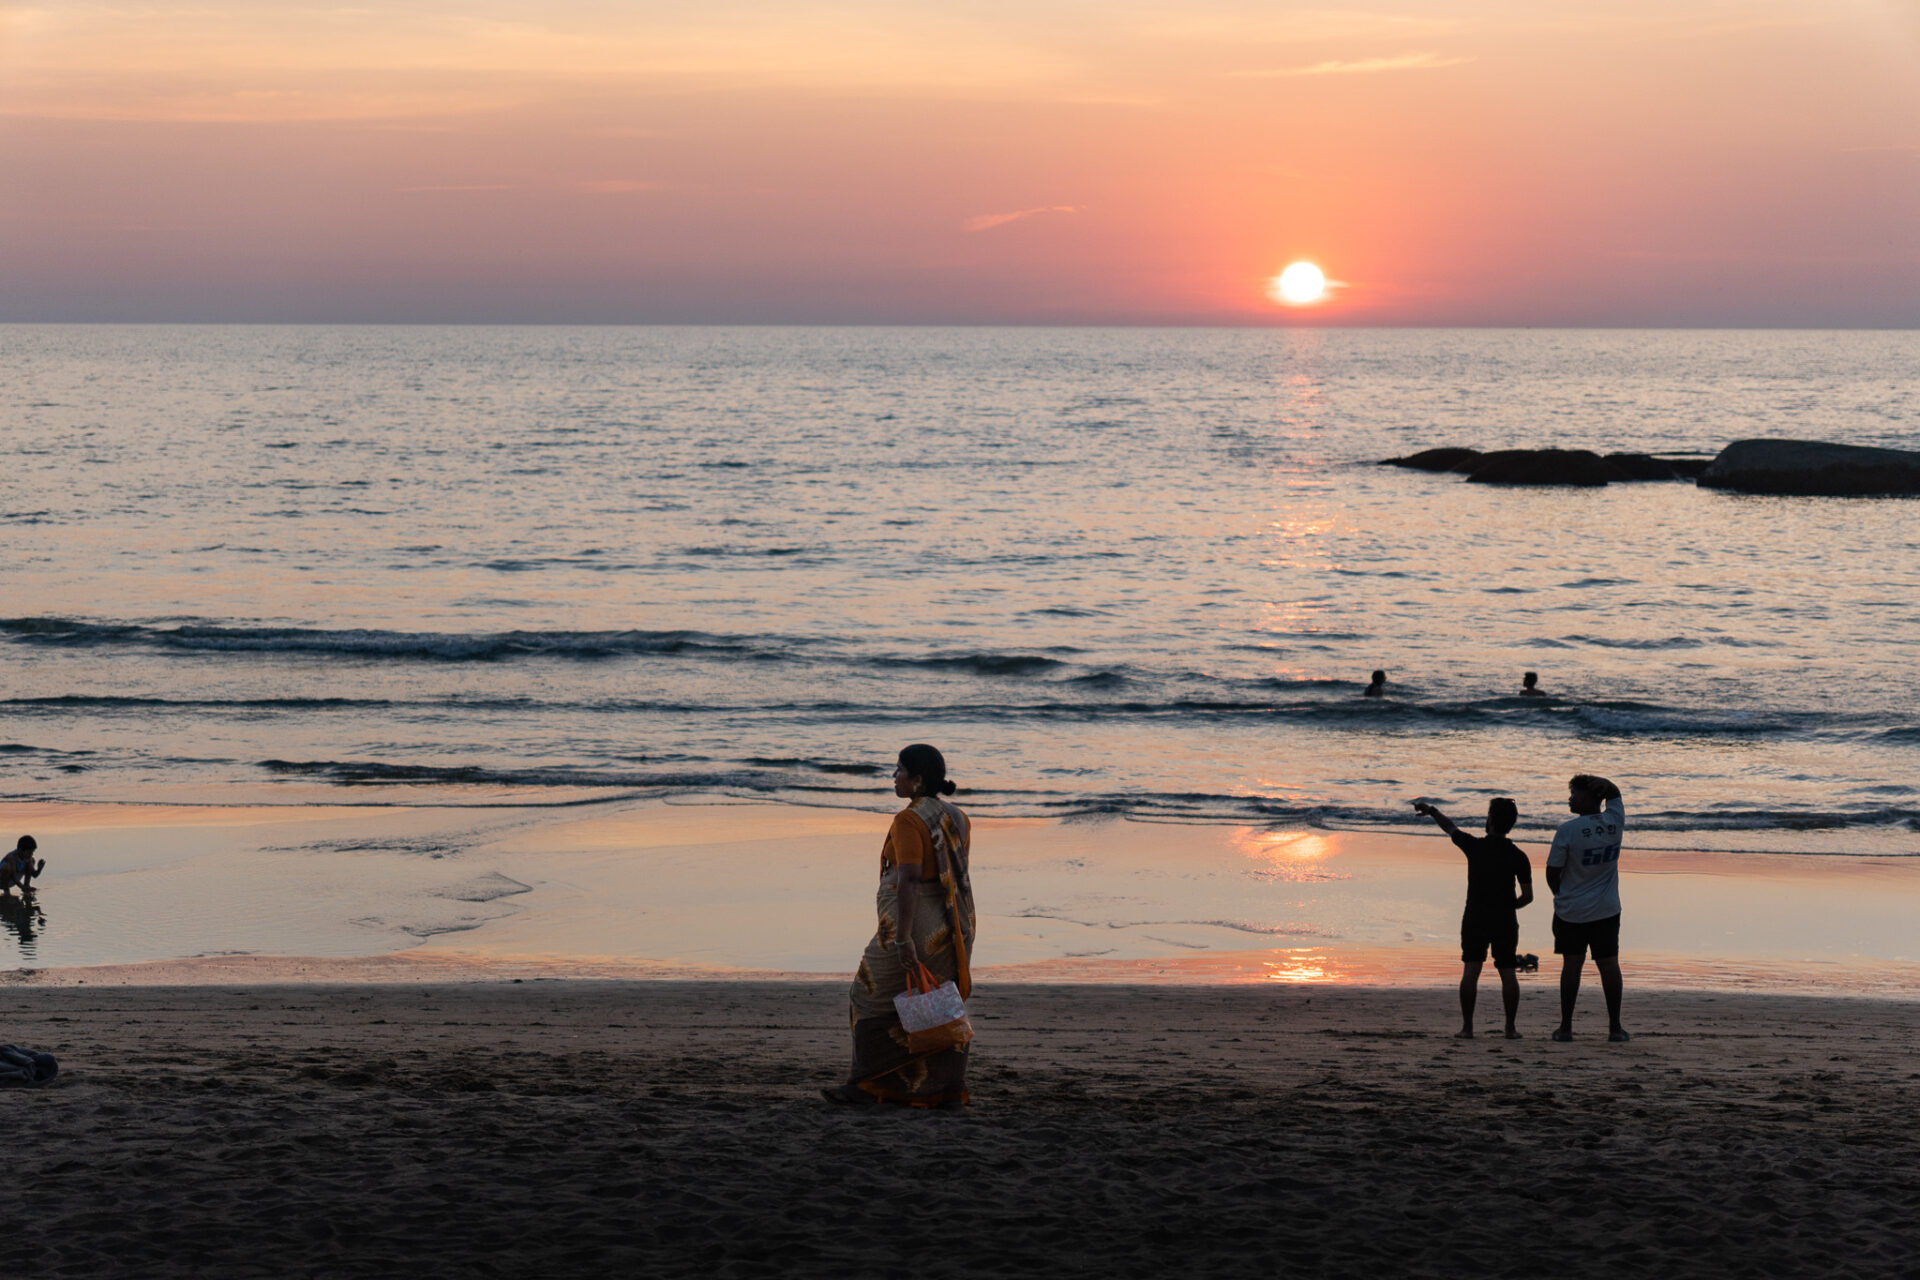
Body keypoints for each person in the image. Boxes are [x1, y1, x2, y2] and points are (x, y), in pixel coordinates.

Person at [823, 744, 976, 1107]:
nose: (894, 776)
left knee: (869, 997)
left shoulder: (908, 820)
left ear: (917, 779)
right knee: (934, 1001)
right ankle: (943, 1088)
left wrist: (904, 938)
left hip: (915, 925)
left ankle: (866, 1085)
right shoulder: (958, 816)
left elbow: (909, 879)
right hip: (949, 926)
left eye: (900, 770)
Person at [1412, 799, 1533, 1038]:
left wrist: (1432, 811)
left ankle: (1467, 1028)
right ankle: (1510, 1028)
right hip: (1504, 920)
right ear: (1511, 824)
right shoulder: (1518, 855)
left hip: (1475, 917)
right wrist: (1508, 907)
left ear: (1490, 820)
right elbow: (1527, 896)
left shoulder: (1475, 846)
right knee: (1507, 971)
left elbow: (1450, 828)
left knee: (1471, 969)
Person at [1545, 774, 1628, 1042]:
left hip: (1572, 910)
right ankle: (1614, 1027)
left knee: (1572, 964)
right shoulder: (1614, 821)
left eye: (1575, 794)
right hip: (1606, 908)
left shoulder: (1568, 830)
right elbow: (1615, 794)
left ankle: (1566, 1028)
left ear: (1590, 797)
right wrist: (1604, 782)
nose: (1570, 799)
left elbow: (1552, 872)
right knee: (1609, 964)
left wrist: (1561, 894)